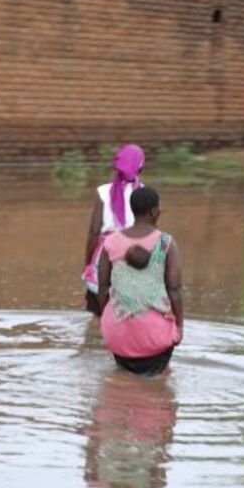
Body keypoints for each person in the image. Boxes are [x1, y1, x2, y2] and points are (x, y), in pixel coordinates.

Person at [97, 186, 183, 376]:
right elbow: (174, 290)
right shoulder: (164, 243)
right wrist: (180, 327)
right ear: (154, 211)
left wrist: (108, 320)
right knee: (158, 388)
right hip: (154, 337)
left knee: (123, 380)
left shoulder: (111, 241)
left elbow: (102, 287)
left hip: (117, 335)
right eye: (159, 208)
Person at [83, 144, 146, 316]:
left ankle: (95, 339)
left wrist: (88, 262)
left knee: (99, 311)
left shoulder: (103, 192)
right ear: (141, 166)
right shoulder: (145, 193)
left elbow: (94, 232)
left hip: (104, 254)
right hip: (133, 255)